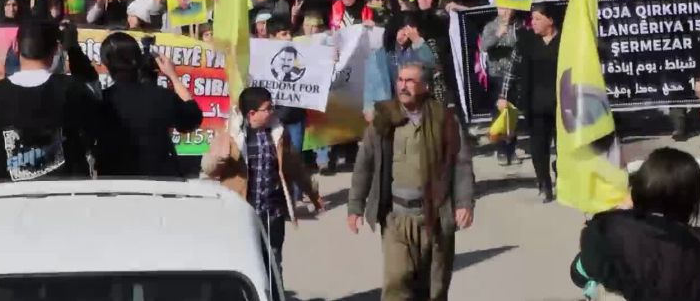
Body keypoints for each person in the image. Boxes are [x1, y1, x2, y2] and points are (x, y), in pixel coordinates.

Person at [347, 63, 474, 301]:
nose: (403, 86)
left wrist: (464, 203)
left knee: (434, 290)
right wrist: (355, 206)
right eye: (400, 80)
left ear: (425, 87)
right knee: (396, 283)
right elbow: (364, 165)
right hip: (396, 217)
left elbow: (462, 163)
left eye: (410, 81)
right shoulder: (383, 120)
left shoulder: (444, 121)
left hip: (434, 216)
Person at [201, 87, 321, 284]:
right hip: (242, 215)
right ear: (252, 113)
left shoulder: (278, 134)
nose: (272, 111)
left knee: (274, 263)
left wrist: (312, 193)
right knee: (244, 264)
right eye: (267, 108)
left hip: (272, 215)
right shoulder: (230, 137)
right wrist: (219, 158)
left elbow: (294, 166)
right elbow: (208, 168)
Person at [0, 20, 100, 182]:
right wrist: (73, 49)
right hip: (66, 199)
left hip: (5, 201)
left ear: (16, 47)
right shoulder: (75, 91)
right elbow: (96, 112)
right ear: (55, 50)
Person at [570, 147, 700, 301]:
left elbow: (578, 274)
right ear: (691, 200)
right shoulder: (696, 243)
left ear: (639, 187)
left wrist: (617, 214)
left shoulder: (605, 230)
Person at [95, 33, 203, 177]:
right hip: (157, 190)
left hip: (114, 189)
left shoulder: (99, 102)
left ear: (105, 63)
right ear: (138, 60)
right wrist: (173, 77)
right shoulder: (162, 97)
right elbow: (193, 117)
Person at [503, 4, 561, 201]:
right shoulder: (527, 41)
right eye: (532, 19)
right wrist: (504, 96)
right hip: (535, 103)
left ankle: (561, 172)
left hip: (562, 103)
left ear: (550, 20)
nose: (533, 23)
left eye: (537, 19)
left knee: (563, 145)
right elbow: (512, 69)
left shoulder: (565, 40)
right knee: (538, 146)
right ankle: (544, 182)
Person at [363, 15, 437, 121]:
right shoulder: (381, 54)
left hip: (416, 106)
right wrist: (368, 106)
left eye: (407, 31)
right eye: (400, 30)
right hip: (391, 105)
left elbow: (430, 63)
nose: (403, 35)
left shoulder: (417, 49)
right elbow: (371, 82)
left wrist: (417, 41)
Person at [480, 8, 519, 165]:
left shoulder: (518, 26)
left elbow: (520, 46)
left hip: (513, 76)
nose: (506, 12)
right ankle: (501, 149)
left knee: (512, 114)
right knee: (499, 114)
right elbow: (484, 46)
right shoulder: (491, 26)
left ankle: (512, 149)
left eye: (509, 8)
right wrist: (497, 35)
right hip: (496, 75)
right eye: (503, 8)